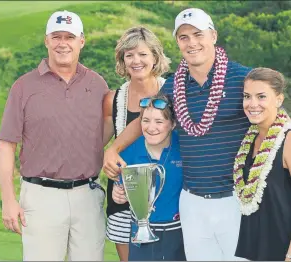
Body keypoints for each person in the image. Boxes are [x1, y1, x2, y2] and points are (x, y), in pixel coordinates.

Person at [103, 8, 251, 261]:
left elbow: (272, 121)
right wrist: (113, 149)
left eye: (198, 34)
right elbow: (144, 120)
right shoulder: (174, 86)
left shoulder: (243, 78)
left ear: (213, 35)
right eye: (184, 37)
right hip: (192, 202)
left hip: (234, 199)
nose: (192, 43)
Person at [0, 10, 108, 261]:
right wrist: (8, 200)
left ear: (81, 41)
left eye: (69, 36)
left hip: (87, 196)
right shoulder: (24, 87)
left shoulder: (98, 84)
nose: (62, 43)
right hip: (40, 197)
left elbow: (105, 131)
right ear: (46, 41)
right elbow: (6, 146)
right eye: (56, 36)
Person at [233, 67, 291, 261]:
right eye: (247, 96)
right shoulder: (249, 140)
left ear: (279, 99)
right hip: (263, 248)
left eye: (261, 97)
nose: (252, 104)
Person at [102, 26, 171, 261]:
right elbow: (99, 144)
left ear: (155, 57)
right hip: (122, 196)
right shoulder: (114, 99)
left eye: (142, 54)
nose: (136, 60)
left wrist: (113, 148)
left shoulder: (172, 92)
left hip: (167, 194)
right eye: (129, 55)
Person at [112, 94, 186, 261]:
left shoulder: (184, 147)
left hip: (178, 234)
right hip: (141, 234)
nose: (151, 128)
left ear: (172, 124)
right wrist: (118, 194)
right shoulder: (128, 151)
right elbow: (120, 189)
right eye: (146, 121)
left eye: (159, 121)